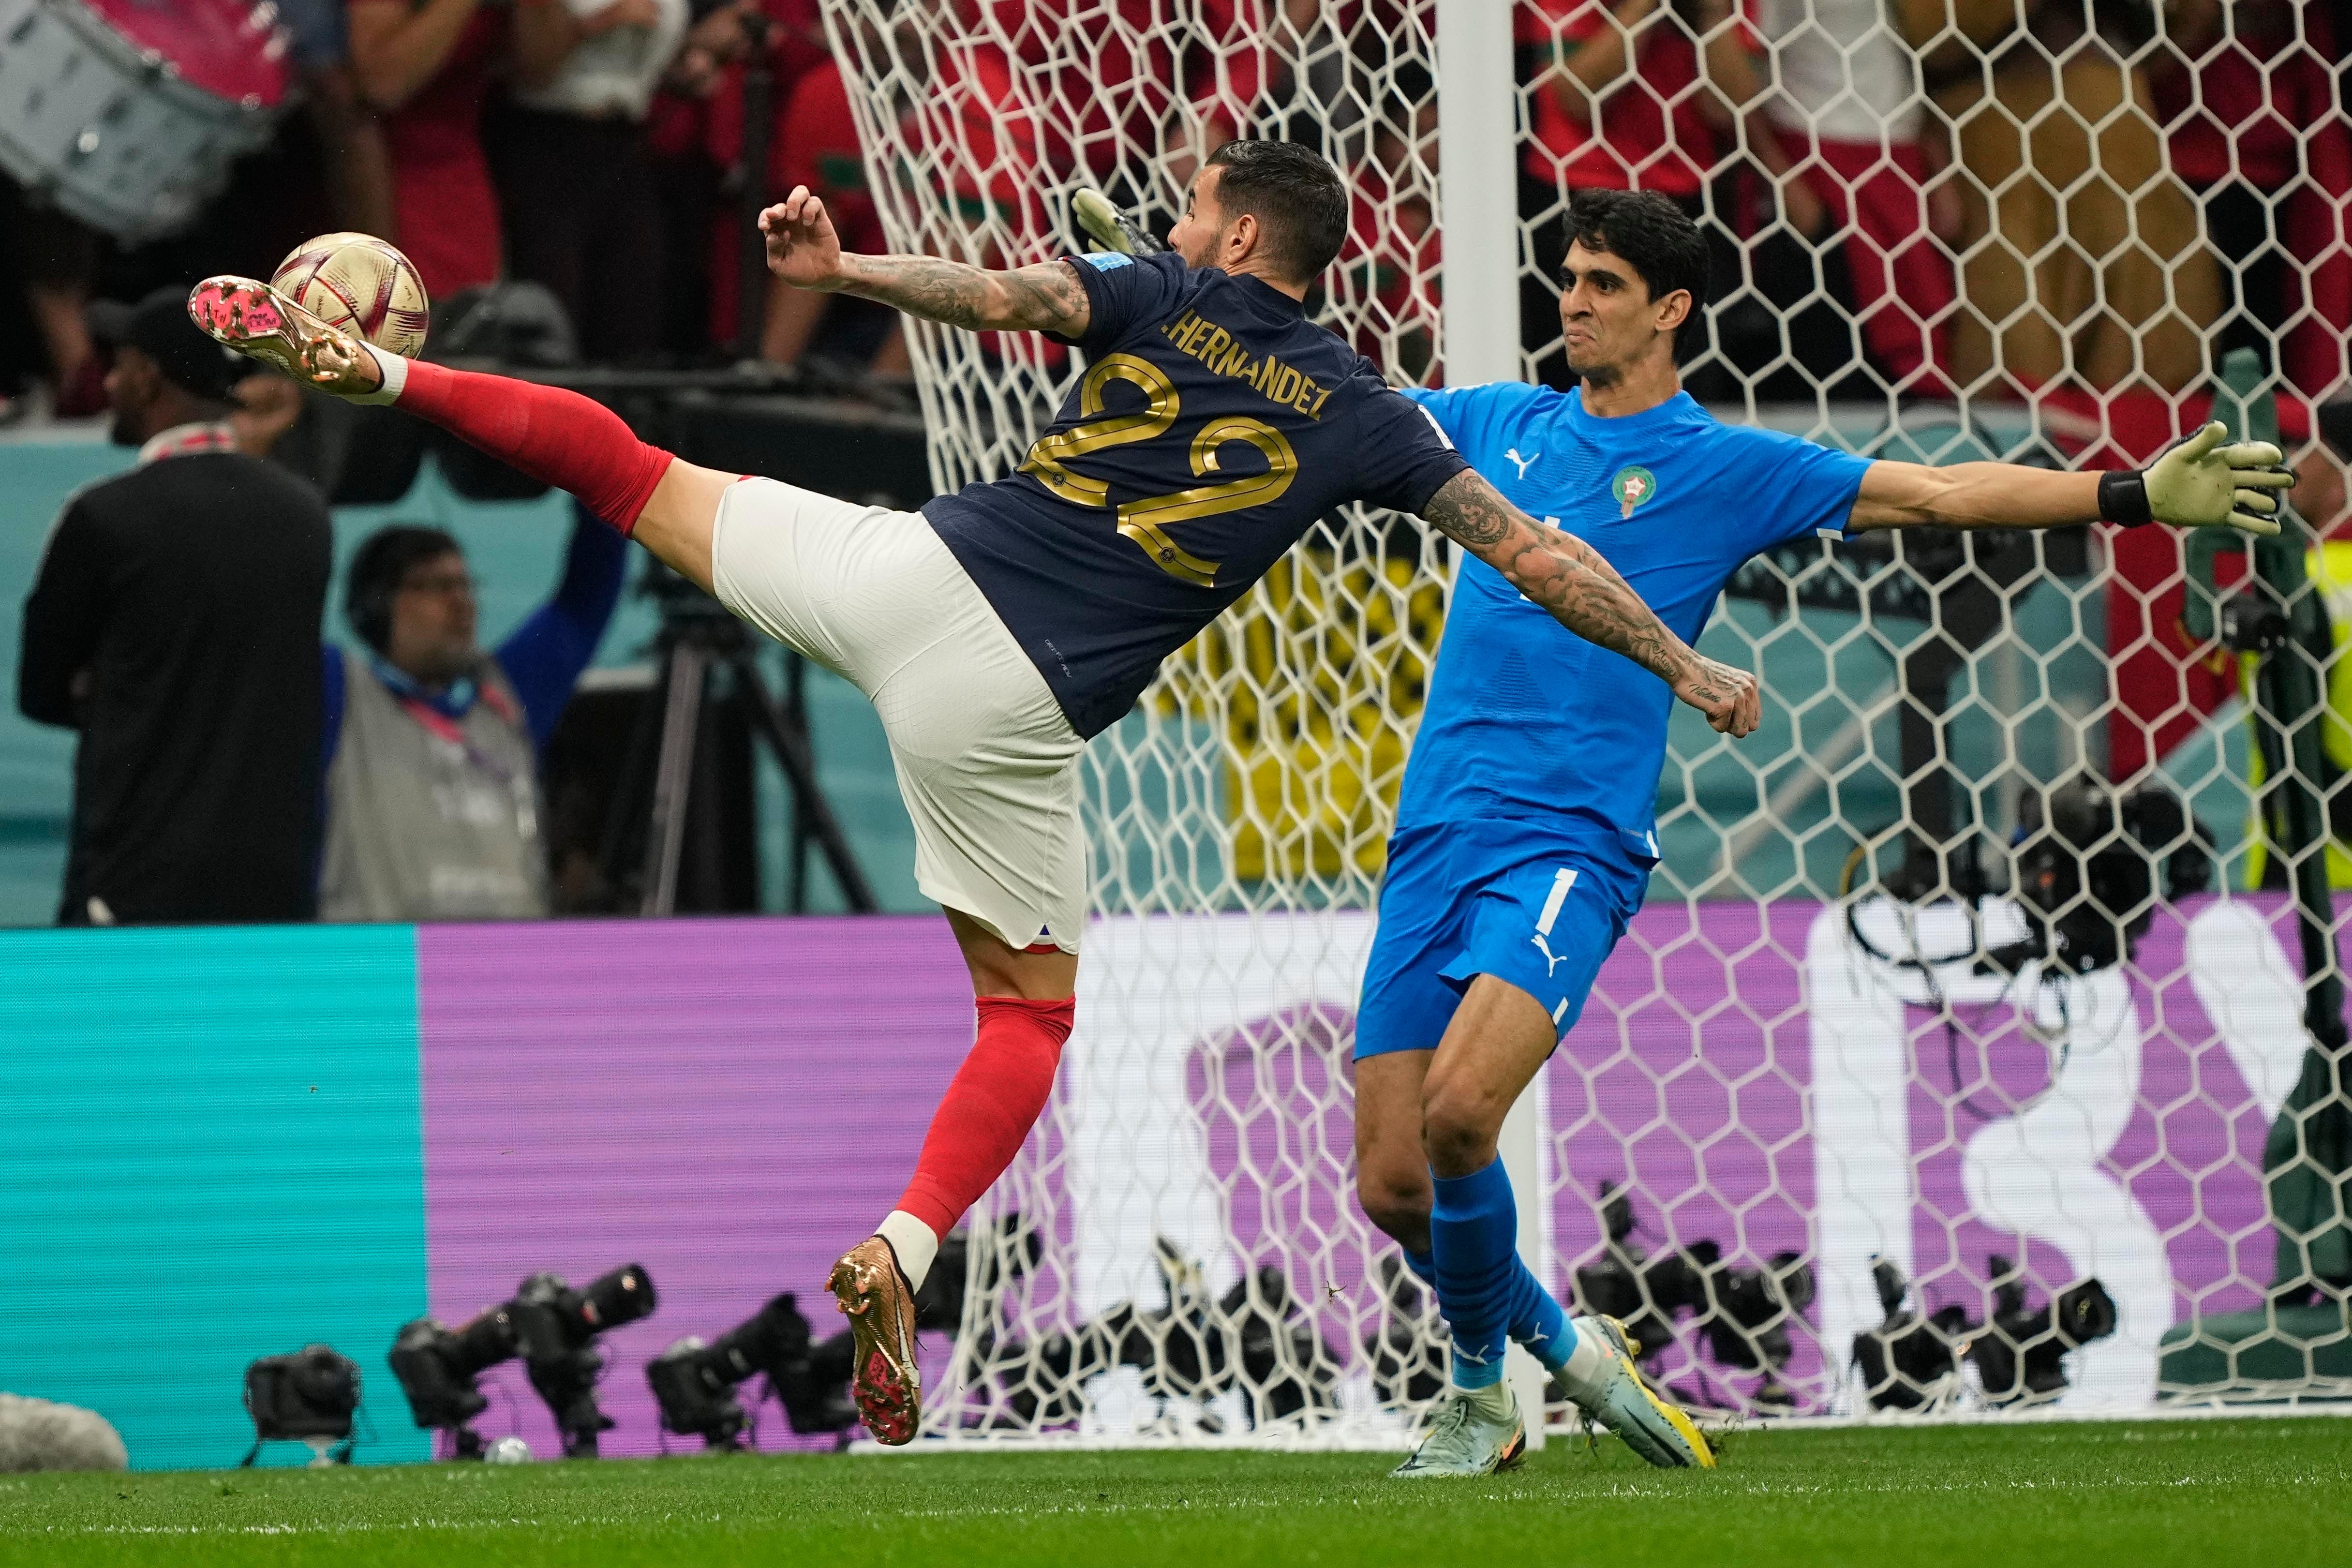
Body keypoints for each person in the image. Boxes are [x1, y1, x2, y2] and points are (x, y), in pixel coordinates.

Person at [185, 138, 1762, 1454]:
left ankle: (390, 369)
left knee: (626, 472)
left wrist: (845, 273)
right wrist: (1681, 670)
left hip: (912, 568)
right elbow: (1536, 553)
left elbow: (1002, 295)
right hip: (1013, 702)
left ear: (1234, 229)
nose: (1175, 210)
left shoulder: (1161, 292)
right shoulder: (1368, 414)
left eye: (1195, 198)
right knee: (1024, 1019)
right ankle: (906, 1243)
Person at [1348, 188, 2292, 1478]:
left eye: (1602, 284)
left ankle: (1476, 1400)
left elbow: (1939, 492)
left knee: (1462, 1115)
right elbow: (1329, 414)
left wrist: (2126, 492)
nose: (1569, 299)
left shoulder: (1722, 465)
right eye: (1564, 277)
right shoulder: (1497, 423)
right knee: (1393, 1186)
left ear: (1668, 309)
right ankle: (1569, 1353)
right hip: (1430, 835)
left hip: (1565, 841)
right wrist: (1173, 308)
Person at [17, 288, 333, 926]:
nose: (108, 381)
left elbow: (42, 691)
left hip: (135, 882)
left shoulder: (103, 518)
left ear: (146, 376)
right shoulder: (307, 515)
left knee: (114, 1027)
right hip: (277, 886)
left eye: (119, 365)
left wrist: (133, 697)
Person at [320, 505, 626, 921]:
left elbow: (585, 599)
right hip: (387, 976)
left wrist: (598, 468)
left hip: (507, 975)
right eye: (436, 586)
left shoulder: (505, 697)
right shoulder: (341, 694)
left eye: (465, 585)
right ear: (375, 605)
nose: (461, 602)